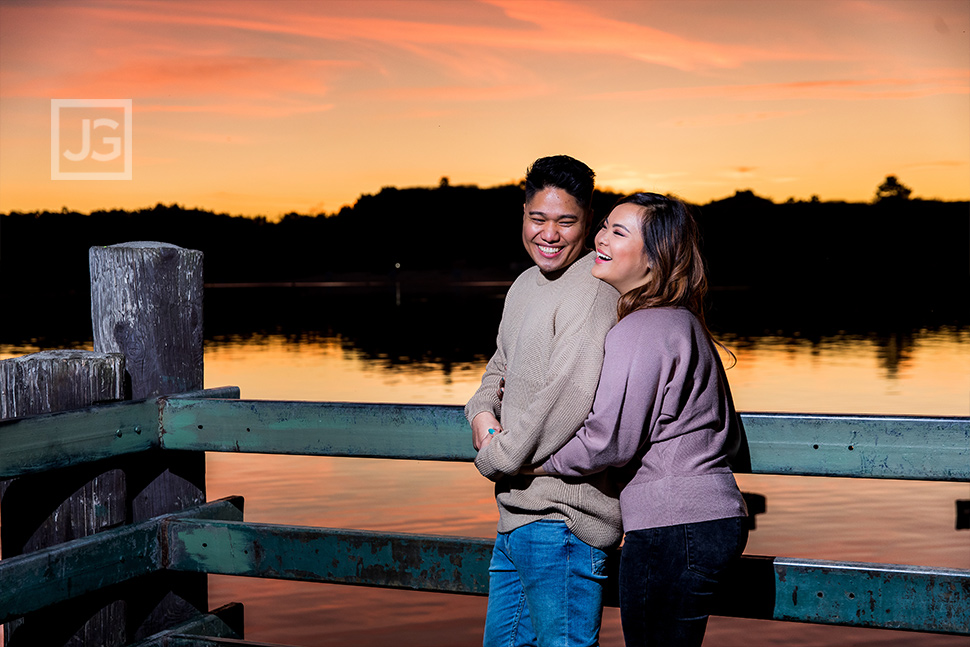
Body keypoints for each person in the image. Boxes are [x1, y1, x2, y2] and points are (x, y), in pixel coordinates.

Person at [523, 192, 749, 647]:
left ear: (653, 259)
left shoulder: (640, 329)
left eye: (618, 232)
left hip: (673, 524)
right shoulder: (681, 321)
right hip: (709, 518)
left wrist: (533, 462)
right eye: (604, 225)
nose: (600, 238)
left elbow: (608, 442)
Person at [467, 155, 622, 647]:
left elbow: (567, 399)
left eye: (565, 221)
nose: (549, 234)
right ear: (524, 217)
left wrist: (498, 455)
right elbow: (498, 367)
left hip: (563, 527)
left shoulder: (590, 292)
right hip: (516, 519)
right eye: (538, 219)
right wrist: (481, 413)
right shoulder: (523, 286)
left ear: (588, 224)